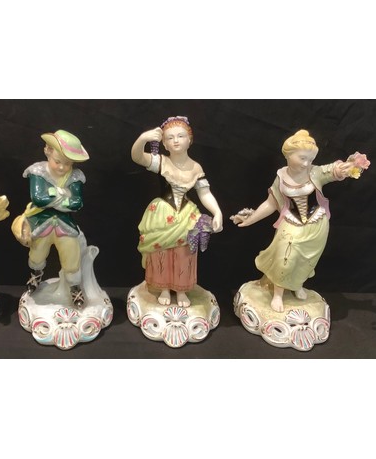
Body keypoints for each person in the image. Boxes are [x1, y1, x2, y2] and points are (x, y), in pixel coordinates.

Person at [231, 129, 370, 312]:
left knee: (306, 261)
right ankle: (278, 294)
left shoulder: (315, 172)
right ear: (288, 155)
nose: (306, 164)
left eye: (310, 159)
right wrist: (251, 220)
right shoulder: (281, 178)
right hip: (292, 222)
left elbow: (332, 170)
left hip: (317, 223)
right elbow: (271, 203)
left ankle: (297, 285)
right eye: (302, 158)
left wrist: (346, 167)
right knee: (285, 258)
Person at [131, 116, 223, 307]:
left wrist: (217, 212)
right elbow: (137, 157)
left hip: (186, 215)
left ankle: (181, 290)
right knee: (161, 251)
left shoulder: (196, 167)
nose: (175, 141)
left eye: (180, 136)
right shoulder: (161, 162)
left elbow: (204, 193)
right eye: (170, 137)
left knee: (184, 252)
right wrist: (143, 139)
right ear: (164, 143)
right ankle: (164, 288)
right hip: (162, 213)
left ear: (190, 140)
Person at [15, 129, 89, 307]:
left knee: (71, 259)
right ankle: (36, 276)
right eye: (58, 162)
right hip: (41, 224)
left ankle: (75, 288)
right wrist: (63, 196)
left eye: (67, 163)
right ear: (48, 151)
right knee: (37, 255)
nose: (62, 167)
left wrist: (53, 195)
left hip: (65, 225)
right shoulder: (38, 172)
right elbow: (38, 199)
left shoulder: (75, 177)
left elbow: (77, 203)